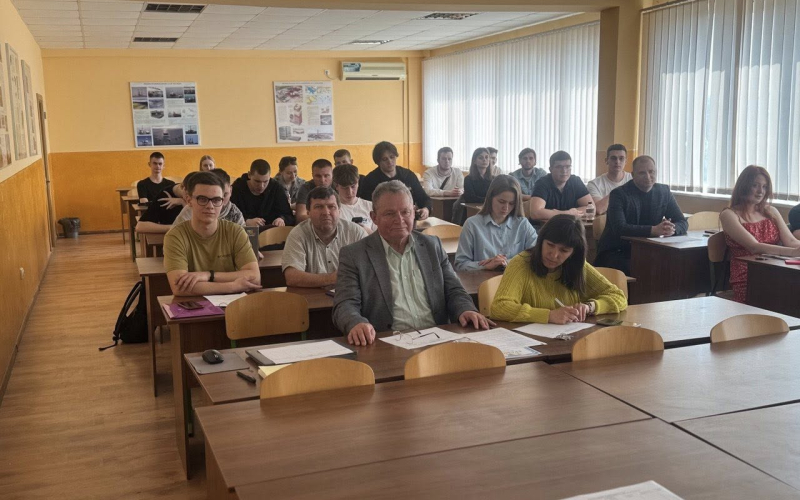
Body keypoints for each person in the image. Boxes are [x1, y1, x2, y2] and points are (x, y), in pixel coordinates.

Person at [333, 181, 493, 345]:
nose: (399, 219)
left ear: (413, 212)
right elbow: (345, 304)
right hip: (387, 343)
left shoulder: (432, 246)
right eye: (390, 213)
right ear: (374, 217)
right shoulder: (354, 255)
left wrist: (465, 309)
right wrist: (356, 323)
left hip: (438, 339)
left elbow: (454, 290)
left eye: (405, 212)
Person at [491, 214, 627, 324]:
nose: (554, 255)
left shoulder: (578, 265)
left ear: (573, 253)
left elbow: (619, 297)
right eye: (550, 245)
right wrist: (549, 315)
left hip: (569, 339)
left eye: (564, 250)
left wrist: (590, 307)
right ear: (541, 241)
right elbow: (500, 307)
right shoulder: (521, 263)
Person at [163, 172, 261, 296]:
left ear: (223, 201)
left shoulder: (236, 232)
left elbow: (254, 277)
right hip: (193, 305)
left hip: (232, 304)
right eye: (202, 199)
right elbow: (179, 287)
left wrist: (208, 275)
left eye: (216, 200)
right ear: (188, 200)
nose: (210, 206)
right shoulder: (175, 236)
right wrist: (233, 286)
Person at [594, 155, 688, 275]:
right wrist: (653, 230)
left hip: (650, 249)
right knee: (645, 268)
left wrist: (670, 229)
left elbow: (682, 222)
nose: (648, 177)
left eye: (651, 172)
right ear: (633, 175)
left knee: (675, 264)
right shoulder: (619, 194)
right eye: (642, 173)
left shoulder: (663, 192)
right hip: (618, 251)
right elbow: (620, 228)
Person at [720, 165, 800, 303]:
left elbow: (791, 241)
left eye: (764, 187)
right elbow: (754, 247)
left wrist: (796, 249)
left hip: (776, 268)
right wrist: (793, 252)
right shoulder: (729, 214)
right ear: (744, 186)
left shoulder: (771, 211)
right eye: (755, 185)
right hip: (748, 274)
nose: (760, 191)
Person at [281, 186, 366, 288]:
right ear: (308, 212)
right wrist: (331, 279)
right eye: (319, 207)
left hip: (350, 294)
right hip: (312, 296)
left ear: (339, 211)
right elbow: (292, 277)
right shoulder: (298, 234)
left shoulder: (356, 233)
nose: (326, 212)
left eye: (331, 207)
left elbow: (371, 270)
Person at [455, 175, 537, 271]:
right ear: (490, 198)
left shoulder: (523, 224)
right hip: (483, 279)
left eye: (511, 203)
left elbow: (536, 255)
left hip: (515, 278)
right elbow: (460, 265)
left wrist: (506, 262)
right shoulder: (472, 224)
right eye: (501, 202)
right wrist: (485, 266)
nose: (506, 208)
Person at [358, 141, 431, 220]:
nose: (389, 161)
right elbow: (365, 205)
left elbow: (423, 198)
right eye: (385, 159)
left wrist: (426, 209)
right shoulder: (370, 180)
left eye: (392, 157)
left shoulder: (408, 175)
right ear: (378, 162)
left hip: (408, 218)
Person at [530, 151, 592, 221]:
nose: (564, 171)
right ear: (550, 169)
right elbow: (535, 213)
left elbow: (591, 208)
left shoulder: (576, 181)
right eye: (559, 167)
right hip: (545, 226)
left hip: (570, 224)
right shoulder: (542, 183)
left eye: (567, 166)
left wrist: (563, 214)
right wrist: (568, 213)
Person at [231, 159, 294, 227]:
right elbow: (227, 216)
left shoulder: (276, 188)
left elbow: (289, 216)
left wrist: (282, 219)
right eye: (257, 181)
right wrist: (246, 221)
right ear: (249, 175)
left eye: (265, 181)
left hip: (270, 230)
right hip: (243, 230)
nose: (261, 186)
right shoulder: (237, 189)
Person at [172, 169, 245, 227]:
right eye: (204, 199)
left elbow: (246, 237)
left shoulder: (235, 214)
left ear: (231, 191)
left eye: (224, 195)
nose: (211, 205)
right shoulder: (192, 208)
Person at [587, 144, 633, 214]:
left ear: (626, 161)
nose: (617, 162)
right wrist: (618, 191)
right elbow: (599, 209)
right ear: (606, 161)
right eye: (613, 158)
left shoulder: (633, 180)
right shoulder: (594, 184)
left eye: (621, 158)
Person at [332, 164, 376, 233]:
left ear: (358, 183)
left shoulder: (370, 206)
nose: (349, 192)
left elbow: (380, 236)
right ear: (336, 186)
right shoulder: (332, 209)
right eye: (345, 188)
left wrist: (366, 231)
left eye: (353, 186)